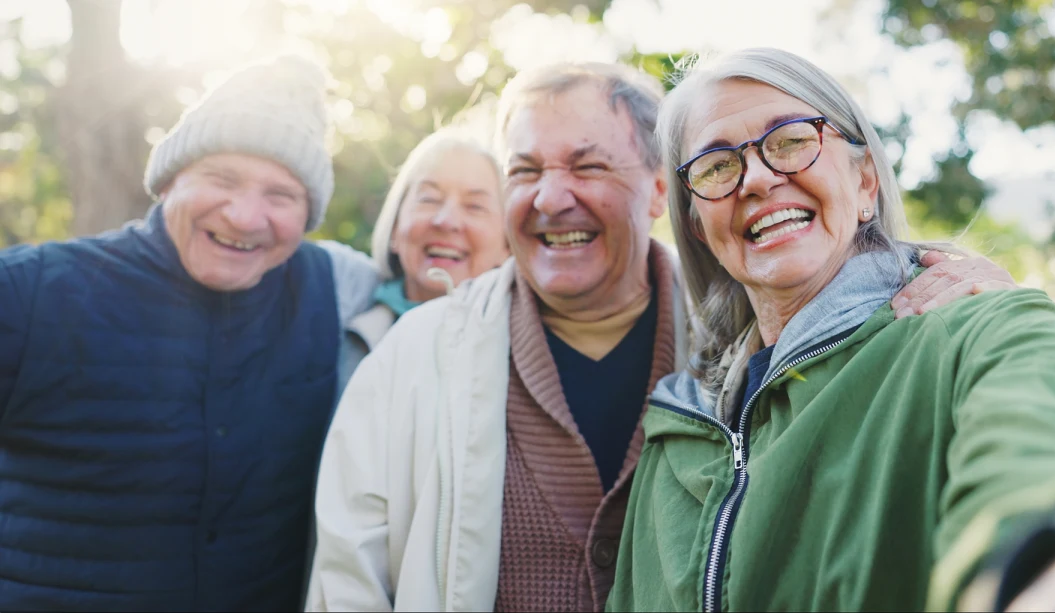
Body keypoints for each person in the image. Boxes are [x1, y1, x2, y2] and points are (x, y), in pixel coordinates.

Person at [305, 61, 1017, 612]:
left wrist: (962, 280)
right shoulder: (414, 357)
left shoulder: (746, 348)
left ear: (657, 191)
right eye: (525, 171)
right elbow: (346, 584)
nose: (551, 197)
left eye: (587, 165)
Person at [603, 48, 1055, 613]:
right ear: (699, 226)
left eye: (791, 139)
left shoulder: (981, 333)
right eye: (716, 166)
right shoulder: (677, 422)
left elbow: (1049, 499)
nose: (758, 179)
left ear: (865, 182)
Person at [0, 55, 378, 611]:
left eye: (281, 195)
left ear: (307, 215)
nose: (245, 216)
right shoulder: (29, 291)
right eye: (222, 179)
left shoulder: (334, 288)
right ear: (169, 181)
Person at [338, 129, 509, 395]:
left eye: (475, 206)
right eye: (429, 199)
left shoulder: (525, 348)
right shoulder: (343, 335)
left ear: (507, 245)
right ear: (395, 228)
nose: (446, 221)